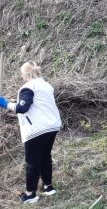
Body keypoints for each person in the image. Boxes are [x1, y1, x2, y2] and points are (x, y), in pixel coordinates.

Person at [0, 62, 62, 204]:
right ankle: (48, 187)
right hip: (51, 126)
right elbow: (34, 104)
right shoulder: (46, 85)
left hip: (36, 129)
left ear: (27, 74)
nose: (22, 77)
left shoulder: (28, 87)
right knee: (45, 156)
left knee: (32, 162)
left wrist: (5, 103)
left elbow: (23, 108)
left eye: (22, 74)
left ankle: (30, 194)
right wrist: (11, 101)